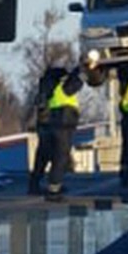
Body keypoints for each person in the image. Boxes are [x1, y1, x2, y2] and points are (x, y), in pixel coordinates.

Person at [43, 66, 83, 200]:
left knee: (56, 156)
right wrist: (80, 71)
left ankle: (54, 185)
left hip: (55, 121)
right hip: (64, 122)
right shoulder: (62, 87)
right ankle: (54, 189)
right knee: (61, 156)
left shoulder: (50, 87)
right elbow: (76, 84)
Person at [28, 66, 64, 194]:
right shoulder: (49, 87)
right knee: (48, 155)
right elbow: (44, 106)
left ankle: (37, 183)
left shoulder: (44, 86)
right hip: (48, 125)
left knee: (44, 156)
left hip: (45, 125)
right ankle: (45, 184)